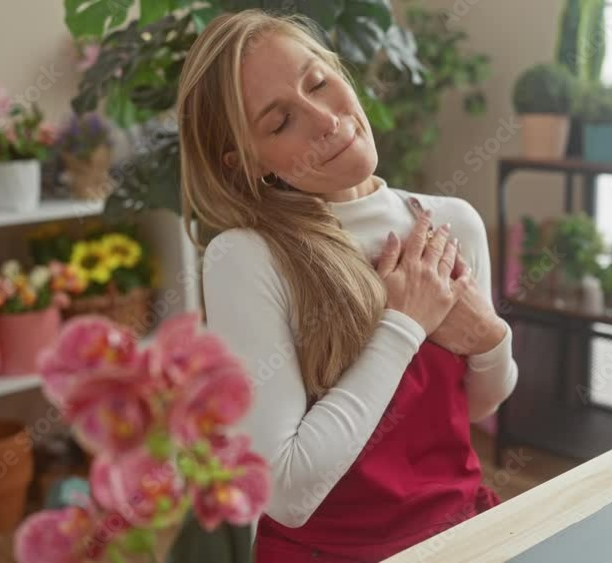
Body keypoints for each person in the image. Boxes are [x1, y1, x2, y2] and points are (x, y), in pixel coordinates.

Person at [176, 9, 519, 562]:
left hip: (466, 539)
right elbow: (286, 492)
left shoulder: (452, 221)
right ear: (247, 164)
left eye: (318, 82)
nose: (325, 120)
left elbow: (476, 405)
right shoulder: (246, 257)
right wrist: (404, 324)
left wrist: (491, 337)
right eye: (279, 121)